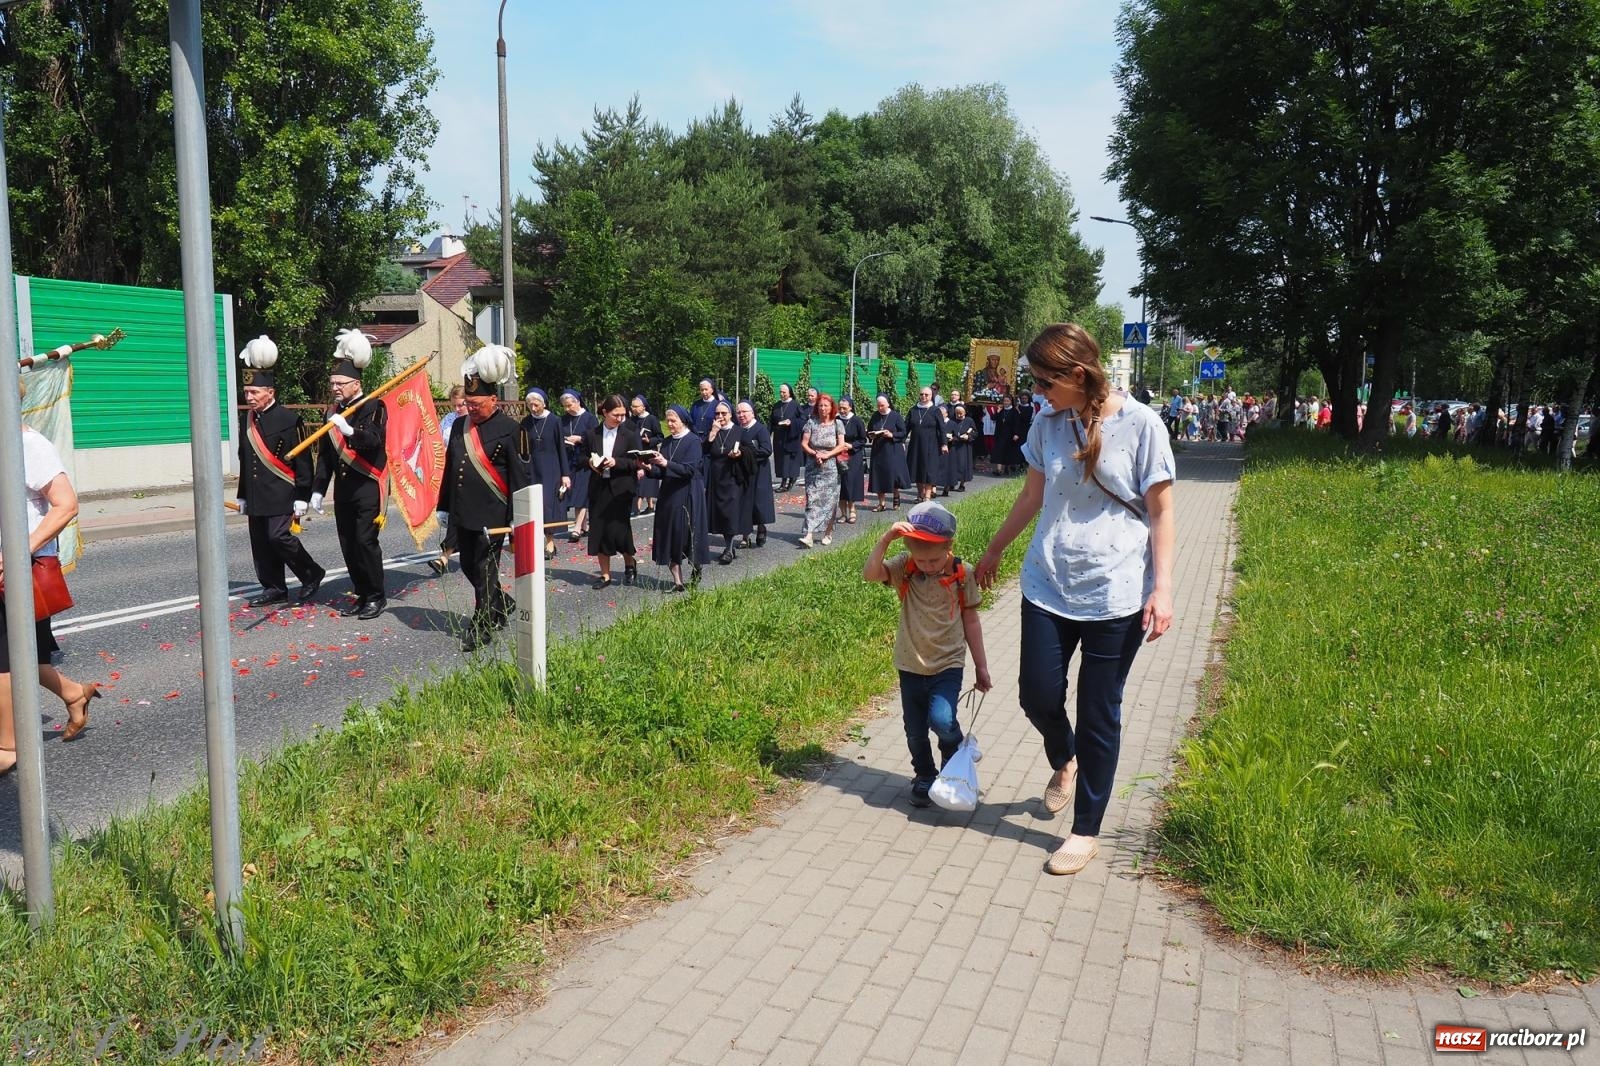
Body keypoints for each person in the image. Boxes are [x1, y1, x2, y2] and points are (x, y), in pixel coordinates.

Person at [975, 322, 1175, 877]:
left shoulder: (1142, 425)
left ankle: (1085, 830)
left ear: (1078, 375)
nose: (1039, 393)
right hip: (1047, 581)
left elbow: (1161, 512)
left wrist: (1163, 588)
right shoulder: (1048, 421)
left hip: (1116, 593)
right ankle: (1064, 758)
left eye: (1046, 381)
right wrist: (993, 550)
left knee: (1097, 712)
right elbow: (1032, 495)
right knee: (1036, 695)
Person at [0, 379, 102, 772]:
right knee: (26, 654)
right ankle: (75, 694)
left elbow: (66, 505)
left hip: (19, 570)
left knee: (7, 657)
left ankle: (9, 748)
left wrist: (18, 548)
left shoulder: (29, 446)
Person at [863, 501, 992, 807]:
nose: (927, 566)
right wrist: (886, 539)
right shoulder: (905, 567)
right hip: (909, 664)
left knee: (942, 719)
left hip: (948, 663)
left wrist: (981, 667)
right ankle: (924, 775)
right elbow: (870, 574)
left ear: (949, 547)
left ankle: (955, 749)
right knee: (914, 731)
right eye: (921, 560)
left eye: (934, 560)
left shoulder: (964, 574)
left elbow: (971, 621)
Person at [439, 347, 529, 651]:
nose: (472, 409)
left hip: (493, 514)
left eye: (477, 404)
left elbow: (521, 476)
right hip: (463, 511)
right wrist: (444, 506)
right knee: (467, 565)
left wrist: (520, 515)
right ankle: (501, 603)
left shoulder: (510, 429)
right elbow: (452, 469)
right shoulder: (459, 428)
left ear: (494, 400)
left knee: (485, 568)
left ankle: (483, 625)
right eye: (468, 403)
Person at [235, 335, 324, 607]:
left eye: (254, 393)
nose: (249, 397)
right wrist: (242, 494)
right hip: (256, 493)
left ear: (270, 392)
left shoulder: (289, 419)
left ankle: (311, 573)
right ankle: (274, 587)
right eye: (247, 392)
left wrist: (303, 495)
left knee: (278, 537)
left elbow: (303, 461)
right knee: (261, 543)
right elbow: (245, 458)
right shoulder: (247, 418)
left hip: (282, 492)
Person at [311, 328, 388, 620]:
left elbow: (374, 440)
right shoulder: (331, 411)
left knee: (365, 541)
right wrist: (318, 489)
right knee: (347, 543)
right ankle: (361, 592)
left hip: (367, 484)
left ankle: (376, 596)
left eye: (340, 383)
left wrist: (350, 430)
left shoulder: (373, 405)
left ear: (356, 384)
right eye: (332, 383)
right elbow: (326, 454)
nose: (335, 388)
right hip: (344, 488)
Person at [580, 394, 642, 588]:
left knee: (620, 530)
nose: (620, 418)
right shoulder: (592, 434)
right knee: (599, 530)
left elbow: (637, 461)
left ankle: (629, 565)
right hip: (599, 487)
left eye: (623, 415)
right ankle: (605, 575)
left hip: (621, 488)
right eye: (616, 414)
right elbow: (580, 458)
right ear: (605, 412)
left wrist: (617, 462)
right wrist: (590, 462)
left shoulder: (630, 434)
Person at [648, 405, 708, 592]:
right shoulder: (666, 443)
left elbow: (689, 470)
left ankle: (696, 566)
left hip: (688, 493)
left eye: (673, 420)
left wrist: (665, 463)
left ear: (683, 420)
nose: (670, 424)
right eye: (668, 420)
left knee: (686, 534)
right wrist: (649, 469)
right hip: (668, 494)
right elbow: (662, 472)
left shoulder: (693, 441)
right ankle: (678, 582)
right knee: (669, 534)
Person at [517, 388, 571, 561]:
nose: (533, 408)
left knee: (547, 505)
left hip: (551, 468)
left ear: (544, 403)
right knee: (533, 505)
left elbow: (562, 449)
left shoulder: (554, 421)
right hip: (532, 468)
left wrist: (565, 473)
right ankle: (538, 541)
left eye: (536, 404)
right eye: (530, 405)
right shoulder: (525, 422)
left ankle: (550, 542)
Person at [429, 385, 470, 573]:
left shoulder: (475, 421)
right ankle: (446, 557)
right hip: (452, 472)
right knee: (456, 514)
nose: (457, 409)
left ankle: (445, 557)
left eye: (461, 405)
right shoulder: (449, 420)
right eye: (454, 405)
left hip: (472, 475)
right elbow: (437, 443)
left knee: (463, 516)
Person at [798, 392, 847, 548]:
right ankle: (809, 534)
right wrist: (815, 453)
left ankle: (828, 532)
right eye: (820, 405)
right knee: (812, 499)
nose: (823, 408)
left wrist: (827, 455)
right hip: (813, 465)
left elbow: (841, 445)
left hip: (831, 467)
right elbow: (804, 444)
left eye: (826, 405)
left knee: (830, 502)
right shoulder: (811, 422)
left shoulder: (837, 424)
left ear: (832, 407)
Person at [704, 399, 746, 563]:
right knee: (720, 514)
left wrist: (740, 454)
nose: (720, 416)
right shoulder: (714, 430)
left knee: (730, 513)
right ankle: (730, 547)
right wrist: (713, 433)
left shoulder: (739, 431)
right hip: (716, 477)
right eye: (717, 413)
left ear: (730, 415)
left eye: (724, 413)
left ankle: (728, 549)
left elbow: (749, 451)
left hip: (732, 477)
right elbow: (704, 450)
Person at [558, 389, 598, 542]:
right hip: (568, 460)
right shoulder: (563, 420)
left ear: (578, 402)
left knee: (581, 494)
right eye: (565, 406)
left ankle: (576, 529)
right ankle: (584, 526)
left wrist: (580, 439)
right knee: (574, 492)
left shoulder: (590, 418)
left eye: (569, 405)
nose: (567, 409)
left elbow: (595, 439)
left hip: (585, 461)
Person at [735, 401, 774, 547]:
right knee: (744, 503)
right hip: (742, 471)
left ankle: (761, 527)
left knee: (758, 502)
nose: (741, 415)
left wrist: (747, 454)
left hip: (759, 471)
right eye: (738, 412)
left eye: (744, 412)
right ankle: (745, 536)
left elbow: (766, 450)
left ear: (752, 413)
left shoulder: (760, 429)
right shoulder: (737, 429)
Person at [905, 385, 948, 502]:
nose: (923, 396)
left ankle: (928, 496)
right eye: (921, 394)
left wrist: (944, 444)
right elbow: (906, 427)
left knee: (929, 470)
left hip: (931, 445)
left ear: (931, 396)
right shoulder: (913, 410)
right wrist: (900, 440)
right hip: (916, 445)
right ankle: (920, 494)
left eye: (926, 395)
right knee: (917, 469)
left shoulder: (935, 410)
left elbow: (942, 428)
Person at [867, 394, 910, 510]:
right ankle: (881, 503)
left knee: (893, 475)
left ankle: (896, 497)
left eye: (882, 405)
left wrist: (892, 435)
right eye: (878, 406)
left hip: (893, 450)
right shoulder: (875, 416)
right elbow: (869, 430)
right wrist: (871, 435)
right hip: (878, 450)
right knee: (878, 477)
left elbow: (903, 432)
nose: (880, 408)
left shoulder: (896, 416)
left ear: (888, 404)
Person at [627, 394, 662, 514]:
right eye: (632, 406)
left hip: (648, 453)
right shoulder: (633, 420)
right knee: (640, 480)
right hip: (636, 452)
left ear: (643, 407)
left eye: (636, 406)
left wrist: (649, 440)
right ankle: (650, 505)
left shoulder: (651, 419)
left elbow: (660, 436)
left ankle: (637, 507)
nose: (633, 408)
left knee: (646, 480)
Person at [836, 395, 868, 523]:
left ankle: (852, 510)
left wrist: (852, 445)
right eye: (840, 408)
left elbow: (863, 439)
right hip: (838, 455)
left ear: (850, 407)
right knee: (840, 484)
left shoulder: (857, 421)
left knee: (850, 483)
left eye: (844, 408)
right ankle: (843, 513)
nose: (842, 410)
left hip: (853, 456)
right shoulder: (836, 420)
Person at [770, 382, 803, 492]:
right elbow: (771, 422)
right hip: (779, 437)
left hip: (791, 437)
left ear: (789, 393)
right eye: (780, 392)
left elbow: (803, 420)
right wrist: (767, 434)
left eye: (784, 392)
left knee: (789, 460)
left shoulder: (795, 404)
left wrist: (791, 422)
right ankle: (783, 482)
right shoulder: (776, 405)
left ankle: (791, 479)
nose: (782, 394)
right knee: (781, 461)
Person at [945, 402, 976, 492]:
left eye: (960, 413)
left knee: (962, 465)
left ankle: (962, 484)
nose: (958, 415)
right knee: (953, 465)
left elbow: (974, 432)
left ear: (965, 412)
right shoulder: (952, 420)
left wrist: (968, 436)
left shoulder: (969, 420)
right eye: (957, 413)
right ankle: (951, 482)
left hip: (964, 446)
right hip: (954, 445)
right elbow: (948, 430)